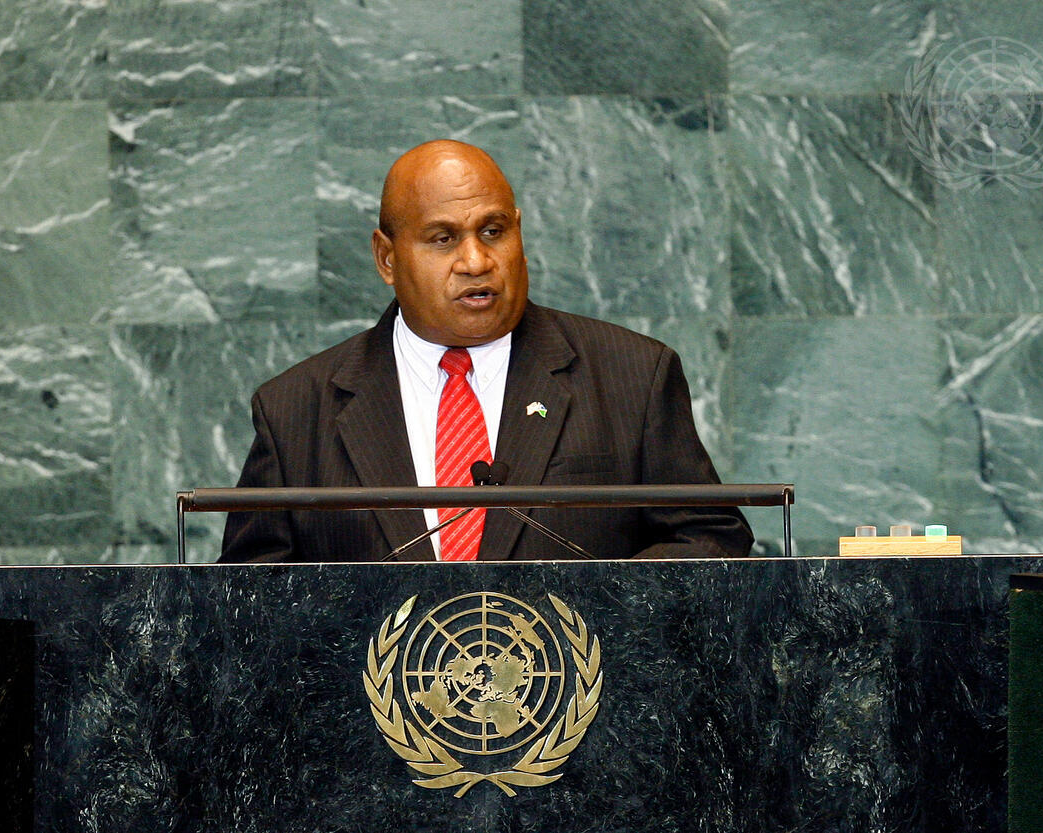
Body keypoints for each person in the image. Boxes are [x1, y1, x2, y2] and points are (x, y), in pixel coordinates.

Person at [219, 140, 753, 562]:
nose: (476, 261)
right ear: (386, 258)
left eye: (493, 231)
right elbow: (247, 602)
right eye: (443, 239)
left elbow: (710, 542)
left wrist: (596, 616)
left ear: (518, 232)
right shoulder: (295, 410)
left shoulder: (633, 376)